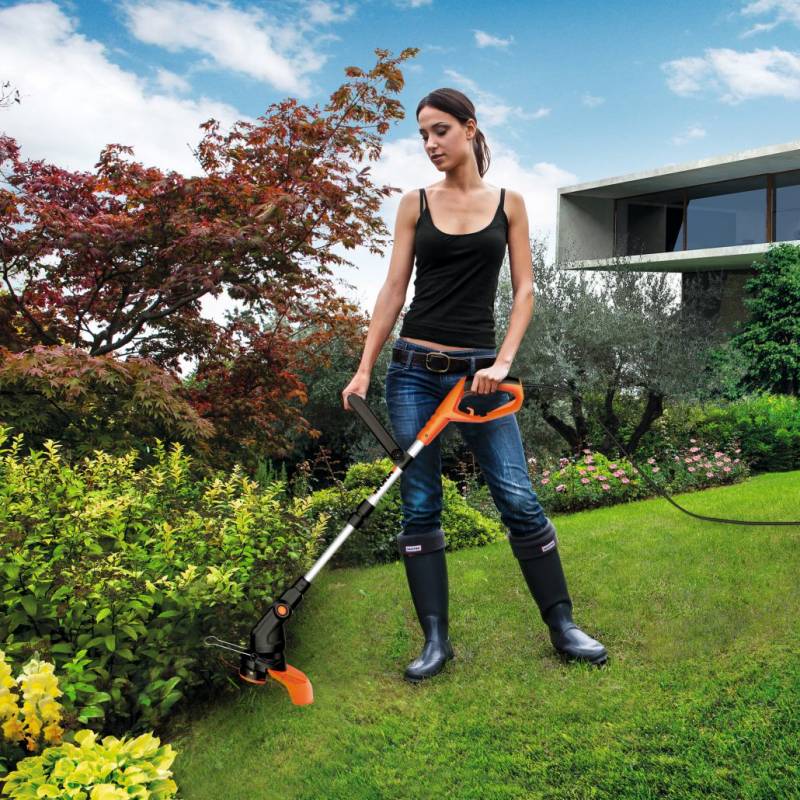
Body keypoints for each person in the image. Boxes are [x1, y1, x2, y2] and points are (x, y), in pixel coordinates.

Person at [341, 88, 607, 683]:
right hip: (413, 372)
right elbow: (393, 290)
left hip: (480, 379)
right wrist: (364, 367)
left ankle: (563, 626)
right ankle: (436, 641)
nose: (430, 144)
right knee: (420, 504)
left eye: (439, 130)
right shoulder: (414, 204)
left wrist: (503, 362)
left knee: (517, 497)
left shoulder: (510, 204)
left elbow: (526, 289)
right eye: (422, 135)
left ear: (469, 128)